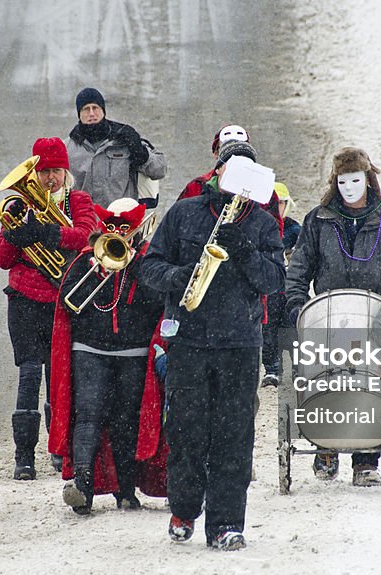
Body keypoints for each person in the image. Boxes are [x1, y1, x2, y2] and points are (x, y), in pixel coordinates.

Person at [141, 139, 285, 551]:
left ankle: (225, 523)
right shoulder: (184, 213)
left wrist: (244, 250)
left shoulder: (262, 223)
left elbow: (274, 281)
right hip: (189, 340)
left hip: (241, 343)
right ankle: (184, 509)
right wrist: (177, 277)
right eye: (231, 168)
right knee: (186, 432)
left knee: (234, 437)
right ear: (217, 171)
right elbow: (148, 266)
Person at [284, 147, 381, 487]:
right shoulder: (318, 219)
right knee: (327, 378)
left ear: (369, 179)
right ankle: (326, 444)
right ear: (334, 182)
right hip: (329, 316)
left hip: (375, 317)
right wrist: (297, 303)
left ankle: (367, 458)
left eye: (356, 180)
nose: (350, 187)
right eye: (343, 181)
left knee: (371, 383)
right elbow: (298, 268)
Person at [47, 198, 167, 515]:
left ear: (136, 230)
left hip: (133, 351)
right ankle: (82, 489)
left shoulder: (146, 261)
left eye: (124, 229)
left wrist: (136, 266)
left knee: (126, 420)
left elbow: (158, 302)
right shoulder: (87, 259)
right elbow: (69, 304)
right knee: (88, 415)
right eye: (111, 228)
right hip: (89, 348)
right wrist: (96, 271)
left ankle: (126, 491)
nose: (117, 233)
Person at [0, 137, 99, 480]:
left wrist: (46, 231)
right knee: (27, 376)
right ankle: (24, 456)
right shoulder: (19, 205)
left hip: (62, 302)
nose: (49, 178)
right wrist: (14, 235)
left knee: (59, 377)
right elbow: (0, 258)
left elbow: (86, 236)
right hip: (24, 301)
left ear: (65, 172)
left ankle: (58, 449)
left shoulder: (77, 200)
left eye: (55, 171)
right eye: (43, 172)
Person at [66, 87, 167, 208]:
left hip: (122, 221)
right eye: (86, 109)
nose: (91, 113)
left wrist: (140, 152)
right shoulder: (66, 148)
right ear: (79, 114)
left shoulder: (125, 140)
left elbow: (159, 170)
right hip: (83, 223)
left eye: (95, 108)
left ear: (103, 110)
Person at [259, 181, 301, 388]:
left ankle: (298, 368)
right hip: (269, 289)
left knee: (293, 326)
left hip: (290, 287)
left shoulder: (294, 229)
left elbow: (305, 255)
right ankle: (272, 369)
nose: (277, 208)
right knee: (268, 329)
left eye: (281, 203)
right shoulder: (260, 228)